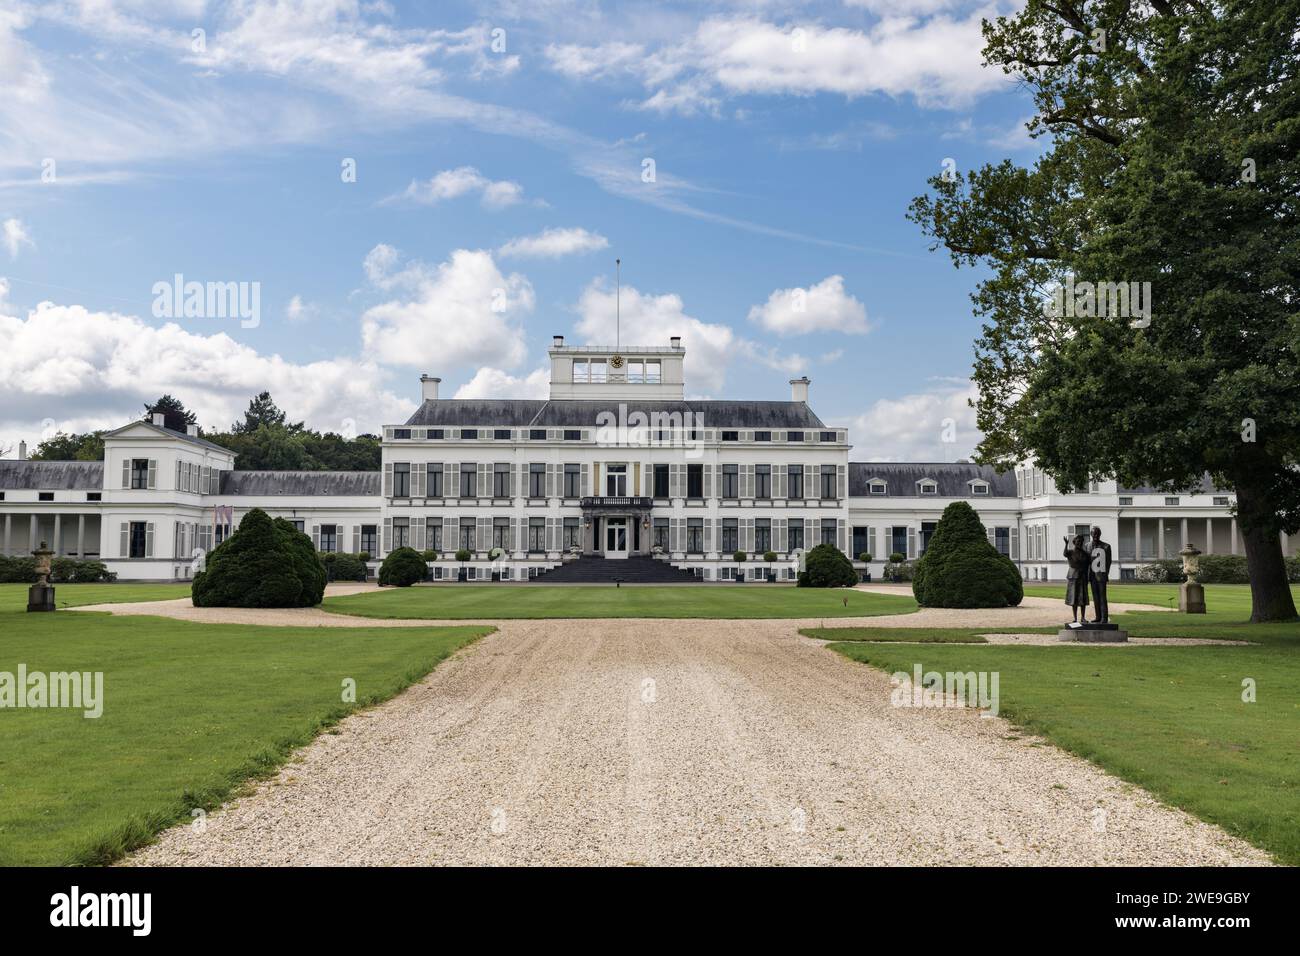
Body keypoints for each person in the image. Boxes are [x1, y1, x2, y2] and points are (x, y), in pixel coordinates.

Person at [1062, 534, 1090, 625]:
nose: (1079, 543)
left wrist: (1087, 577)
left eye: (1081, 542)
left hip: (1082, 577)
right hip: (1073, 577)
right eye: (1078, 541)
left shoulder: (1085, 554)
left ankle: (1083, 617)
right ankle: (1075, 618)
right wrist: (1066, 544)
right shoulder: (1070, 552)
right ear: (1074, 542)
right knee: (1073, 598)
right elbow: (1065, 554)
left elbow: (1087, 566)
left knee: (1083, 598)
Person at [1088, 525, 1113, 624]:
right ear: (1091, 534)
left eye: (1097, 533)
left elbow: (1108, 562)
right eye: (1094, 533)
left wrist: (1105, 574)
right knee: (1095, 598)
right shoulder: (1087, 546)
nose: (1095, 535)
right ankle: (1098, 617)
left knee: (1102, 597)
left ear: (1100, 534)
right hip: (1092, 575)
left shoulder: (1106, 546)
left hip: (1101, 575)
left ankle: (1104, 618)